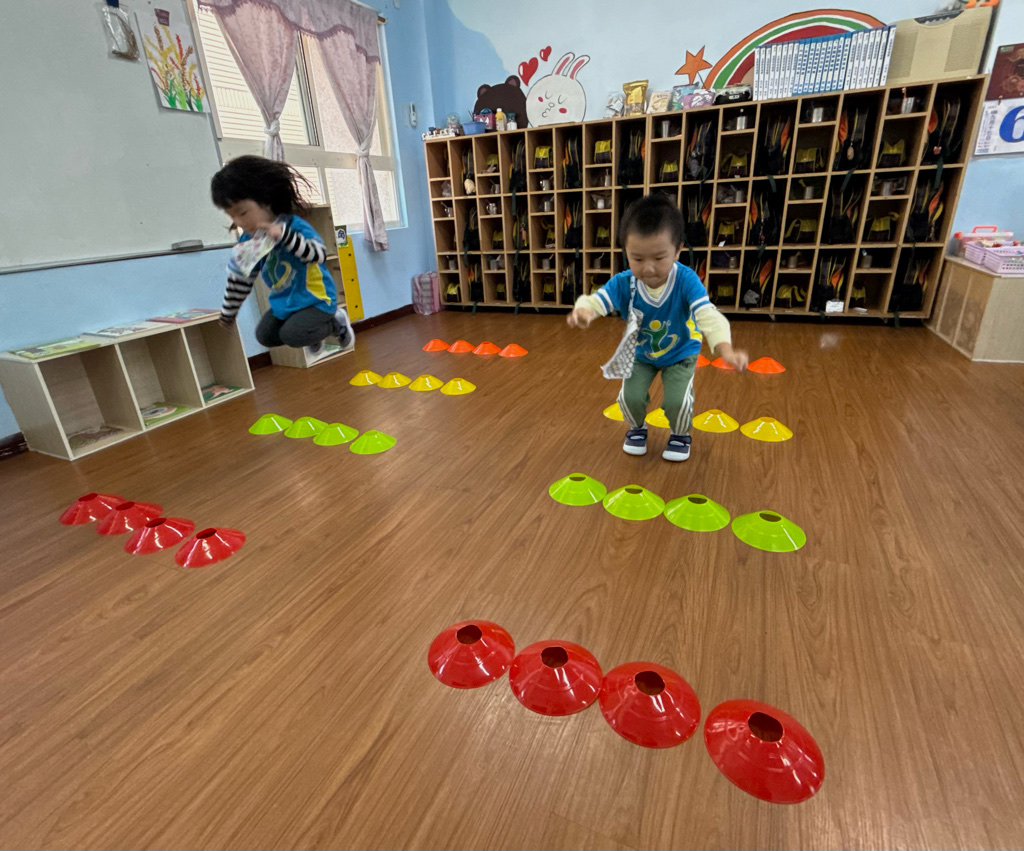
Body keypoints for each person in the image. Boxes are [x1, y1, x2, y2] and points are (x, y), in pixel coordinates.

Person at [567, 194, 747, 461]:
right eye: (637, 259)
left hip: (680, 353)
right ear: (625, 251)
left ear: (677, 250)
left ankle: (680, 435)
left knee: (677, 401)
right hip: (642, 354)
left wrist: (726, 349)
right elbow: (598, 299)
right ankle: (637, 428)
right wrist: (585, 311)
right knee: (629, 398)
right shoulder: (624, 282)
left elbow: (707, 315)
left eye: (659, 258)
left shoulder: (686, 280)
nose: (648, 269)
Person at [211, 155, 353, 357]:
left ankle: (336, 322)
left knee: (293, 335)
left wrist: (285, 237)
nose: (239, 222)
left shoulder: (293, 225)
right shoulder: (248, 241)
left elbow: (318, 255)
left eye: (242, 213)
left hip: (316, 300)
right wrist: (228, 313)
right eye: (231, 215)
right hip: (285, 303)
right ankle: (311, 334)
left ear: (266, 201)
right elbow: (240, 280)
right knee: (264, 336)